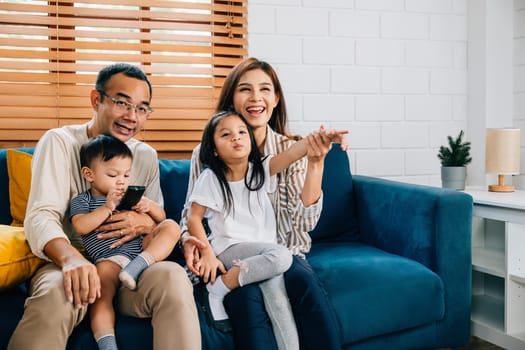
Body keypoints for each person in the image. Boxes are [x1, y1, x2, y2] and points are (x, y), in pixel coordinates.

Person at [8, 63, 201, 350]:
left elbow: (155, 219)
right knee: (55, 294)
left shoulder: (145, 156)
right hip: (68, 263)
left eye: (142, 108)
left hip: (126, 265)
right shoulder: (59, 142)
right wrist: (71, 259)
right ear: (96, 100)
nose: (131, 117)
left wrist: (148, 224)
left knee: (173, 277)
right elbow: (41, 216)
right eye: (122, 103)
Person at [180, 57, 346, 350]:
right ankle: (219, 290)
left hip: (283, 250)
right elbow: (191, 217)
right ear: (232, 98)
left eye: (265, 89)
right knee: (246, 299)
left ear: (275, 98)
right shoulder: (206, 157)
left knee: (298, 287)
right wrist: (201, 250)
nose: (256, 98)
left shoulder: (277, 155)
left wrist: (316, 160)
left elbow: (304, 223)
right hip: (229, 253)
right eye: (245, 89)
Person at [70, 134, 181, 349]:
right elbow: (81, 226)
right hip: (107, 259)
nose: (121, 181)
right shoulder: (83, 200)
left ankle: (136, 267)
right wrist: (107, 208)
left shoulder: (130, 197)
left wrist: (149, 207)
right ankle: (108, 344)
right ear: (89, 174)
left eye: (126, 174)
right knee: (101, 299)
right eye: (113, 174)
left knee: (171, 226)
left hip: (141, 254)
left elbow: (161, 217)